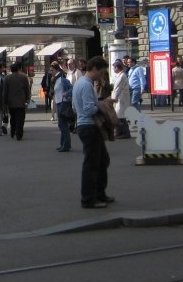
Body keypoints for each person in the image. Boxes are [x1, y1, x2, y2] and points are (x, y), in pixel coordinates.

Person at [72, 56, 114, 209]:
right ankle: (89, 199)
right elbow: (89, 109)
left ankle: (99, 193)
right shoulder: (87, 85)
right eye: (101, 72)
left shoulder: (79, 83)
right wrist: (103, 104)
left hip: (83, 125)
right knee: (92, 164)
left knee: (102, 160)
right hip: (89, 126)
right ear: (94, 68)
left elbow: (75, 108)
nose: (102, 76)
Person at [3, 62, 31, 141]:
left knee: (13, 118)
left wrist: (5, 101)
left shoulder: (7, 78)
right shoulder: (23, 77)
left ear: (11, 69)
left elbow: (5, 91)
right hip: (21, 102)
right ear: (18, 69)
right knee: (20, 119)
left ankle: (12, 131)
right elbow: (27, 89)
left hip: (11, 102)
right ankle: (19, 134)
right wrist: (27, 99)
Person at [51, 62, 73, 152]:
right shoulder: (56, 79)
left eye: (52, 70)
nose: (50, 72)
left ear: (56, 70)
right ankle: (63, 144)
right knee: (61, 125)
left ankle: (66, 145)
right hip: (59, 102)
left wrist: (66, 94)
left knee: (63, 125)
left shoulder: (62, 79)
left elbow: (72, 88)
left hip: (63, 103)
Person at [110, 59, 131, 138]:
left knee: (120, 116)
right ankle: (120, 132)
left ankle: (125, 133)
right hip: (121, 99)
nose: (113, 69)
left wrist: (112, 99)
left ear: (117, 67)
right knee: (120, 115)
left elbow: (117, 89)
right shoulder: (121, 75)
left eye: (114, 67)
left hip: (121, 99)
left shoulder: (121, 76)